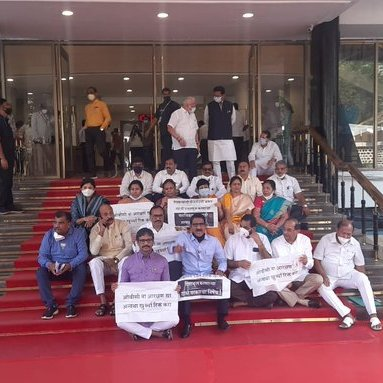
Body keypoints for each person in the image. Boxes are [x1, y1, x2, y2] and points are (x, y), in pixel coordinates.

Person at [314, 220, 382, 331]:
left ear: (352, 233)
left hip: (347, 275)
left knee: (363, 279)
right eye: (343, 233)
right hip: (329, 276)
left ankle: (373, 316)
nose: (345, 236)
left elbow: (360, 266)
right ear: (337, 230)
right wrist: (323, 275)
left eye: (348, 234)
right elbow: (317, 260)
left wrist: (365, 287)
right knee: (322, 287)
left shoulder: (355, 243)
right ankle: (347, 315)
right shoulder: (326, 240)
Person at [114, 228, 178, 340]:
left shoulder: (162, 261)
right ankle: (157, 333)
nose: (146, 243)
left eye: (148, 240)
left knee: (174, 320)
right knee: (120, 322)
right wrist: (116, 289)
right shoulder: (128, 262)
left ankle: (139, 332)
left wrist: (174, 290)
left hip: (156, 305)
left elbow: (166, 285)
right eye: (142, 241)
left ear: (153, 241)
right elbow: (123, 286)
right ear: (137, 243)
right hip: (135, 307)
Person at [172, 214, 230, 338]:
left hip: (207, 276)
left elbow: (222, 260)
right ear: (190, 227)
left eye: (201, 224)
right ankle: (187, 323)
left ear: (205, 226)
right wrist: (178, 248)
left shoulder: (213, 241)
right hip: (189, 276)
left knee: (223, 283)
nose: (198, 227)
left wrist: (220, 270)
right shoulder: (183, 237)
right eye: (195, 225)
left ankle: (221, 319)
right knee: (183, 286)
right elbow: (177, 246)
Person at [36, 211, 88, 319]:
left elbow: (83, 254)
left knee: (82, 268)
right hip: (54, 268)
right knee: (41, 271)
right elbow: (42, 256)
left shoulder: (78, 234)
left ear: (69, 224)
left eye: (60, 223)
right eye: (55, 222)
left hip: (71, 268)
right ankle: (51, 305)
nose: (56, 226)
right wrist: (49, 265)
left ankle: (71, 304)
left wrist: (70, 265)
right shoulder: (49, 235)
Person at [225, 214, 279, 308]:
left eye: (245, 227)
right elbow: (226, 262)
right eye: (240, 226)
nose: (242, 230)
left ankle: (244, 302)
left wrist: (260, 244)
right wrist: (238, 263)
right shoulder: (233, 239)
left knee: (273, 295)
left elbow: (269, 261)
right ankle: (257, 302)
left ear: (254, 228)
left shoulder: (262, 238)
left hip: (257, 278)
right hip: (238, 277)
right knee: (227, 288)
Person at [89, 204, 133, 316]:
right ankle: (103, 301)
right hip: (104, 260)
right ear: (100, 217)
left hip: (120, 258)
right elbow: (94, 252)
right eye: (105, 214)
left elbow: (129, 246)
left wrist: (115, 259)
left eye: (110, 213)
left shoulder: (123, 224)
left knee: (127, 261)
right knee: (94, 262)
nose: (109, 216)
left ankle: (115, 301)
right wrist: (101, 233)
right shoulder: (95, 229)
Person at [271, 218, 322, 308]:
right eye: (284, 229)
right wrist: (286, 279)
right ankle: (302, 301)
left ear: (297, 230)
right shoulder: (276, 243)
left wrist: (306, 261)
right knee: (272, 282)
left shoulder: (305, 240)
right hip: (283, 278)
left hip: (301, 276)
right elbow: (274, 267)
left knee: (318, 279)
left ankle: (290, 298)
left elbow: (311, 264)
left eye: (289, 230)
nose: (285, 232)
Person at [139, 206, 180, 280]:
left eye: (160, 216)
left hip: (169, 260)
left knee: (175, 266)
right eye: (155, 216)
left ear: (164, 216)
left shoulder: (172, 229)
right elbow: (138, 248)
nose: (158, 218)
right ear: (150, 217)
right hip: (150, 259)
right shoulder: (143, 229)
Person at [204, 85, 236, 180]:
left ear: (223, 95)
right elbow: (206, 121)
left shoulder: (230, 105)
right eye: (215, 95)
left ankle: (232, 180)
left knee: (230, 160)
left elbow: (233, 120)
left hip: (227, 137)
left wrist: (224, 128)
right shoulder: (209, 106)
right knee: (215, 161)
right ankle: (218, 182)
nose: (216, 97)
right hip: (214, 138)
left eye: (218, 95)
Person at [167, 96, 199, 180]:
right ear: (187, 105)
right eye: (192, 105)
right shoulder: (177, 113)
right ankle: (180, 189)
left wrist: (197, 144)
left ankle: (192, 189)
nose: (194, 106)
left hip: (192, 146)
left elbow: (195, 130)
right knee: (180, 170)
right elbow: (170, 128)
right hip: (179, 147)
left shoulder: (193, 115)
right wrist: (179, 139)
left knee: (193, 170)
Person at [147, 87, 180, 166]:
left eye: (167, 94)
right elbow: (156, 118)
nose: (166, 96)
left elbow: (180, 118)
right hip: (163, 132)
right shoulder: (161, 106)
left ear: (170, 94)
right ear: (162, 95)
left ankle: (175, 166)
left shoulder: (175, 105)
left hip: (172, 132)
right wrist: (149, 129)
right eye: (164, 94)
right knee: (165, 150)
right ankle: (166, 166)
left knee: (173, 150)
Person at [84, 87, 111, 178]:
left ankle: (108, 166)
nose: (90, 94)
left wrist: (102, 128)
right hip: (89, 130)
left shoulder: (101, 104)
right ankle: (92, 173)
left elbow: (108, 118)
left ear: (96, 93)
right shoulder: (87, 107)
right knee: (89, 152)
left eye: (91, 92)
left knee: (101, 150)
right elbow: (88, 119)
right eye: (88, 93)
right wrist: (86, 127)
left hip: (99, 129)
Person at [193, 178, 226, 246]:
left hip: (212, 224)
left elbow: (221, 217)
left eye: (205, 187)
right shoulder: (194, 199)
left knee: (217, 239)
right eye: (201, 188)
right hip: (198, 224)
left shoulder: (214, 198)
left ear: (209, 188)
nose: (204, 189)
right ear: (198, 190)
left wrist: (219, 208)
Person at [0, 98, 19, 215]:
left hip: (9, 155)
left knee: (8, 181)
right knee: (3, 181)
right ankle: (2, 205)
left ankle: (8, 204)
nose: (9, 106)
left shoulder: (5, 120)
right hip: (3, 157)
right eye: (6, 104)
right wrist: (2, 158)